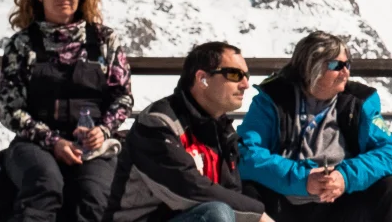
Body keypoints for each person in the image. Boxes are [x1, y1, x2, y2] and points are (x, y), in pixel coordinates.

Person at [0, 0, 133, 222]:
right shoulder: (22, 44)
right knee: (44, 184)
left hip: (92, 143)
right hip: (35, 143)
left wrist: (103, 131)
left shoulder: (104, 40)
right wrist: (53, 141)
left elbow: (122, 97)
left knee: (95, 194)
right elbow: (10, 109)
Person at [237, 32, 392, 222]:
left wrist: (345, 177)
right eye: (336, 66)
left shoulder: (358, 103)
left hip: (340, 202)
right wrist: (302, 179)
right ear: (310, 67)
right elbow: (246, 153)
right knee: (247, 192)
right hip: (284, 201)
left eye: (347, 65)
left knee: (390, 189)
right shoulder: (273, 99)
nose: (345, 72)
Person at [107, 42, 272, 222]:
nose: (245, 84)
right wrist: (258, 215)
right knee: (217, 214)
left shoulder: (223, 130)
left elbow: (230, 192)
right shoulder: (158, 123)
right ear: (202, 79)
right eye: (234, 74)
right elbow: (188, 189)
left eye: (246, 76)